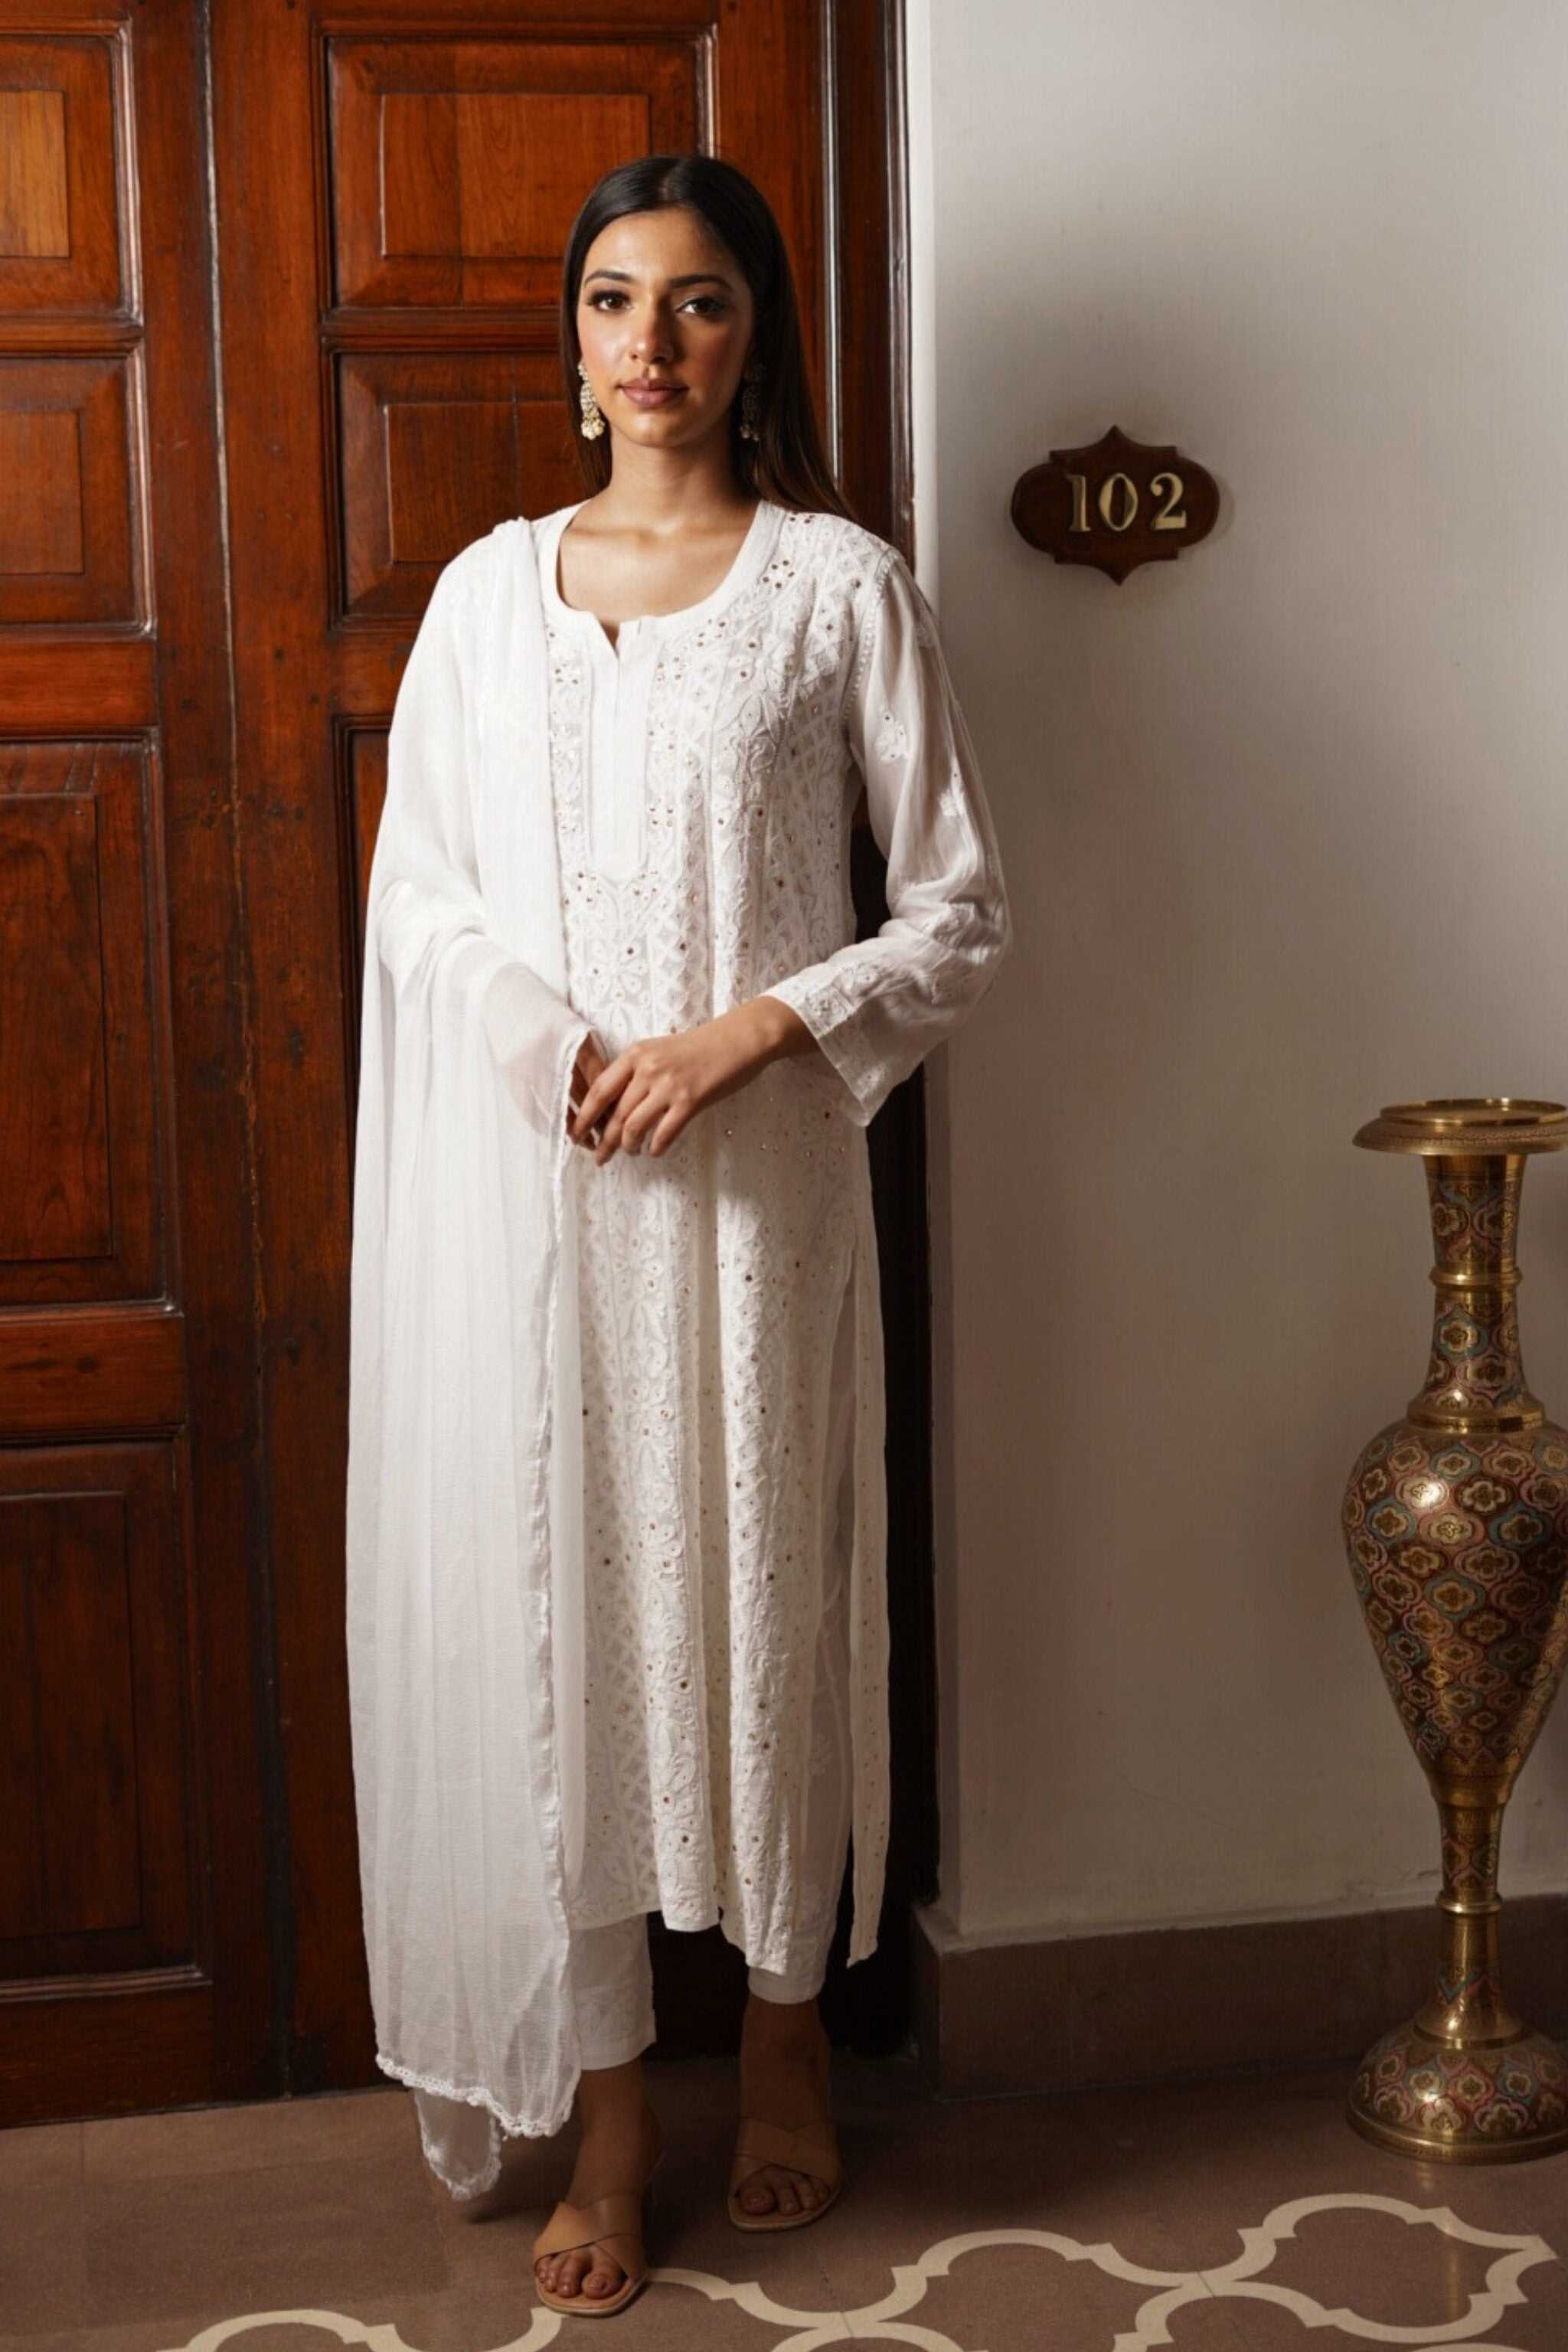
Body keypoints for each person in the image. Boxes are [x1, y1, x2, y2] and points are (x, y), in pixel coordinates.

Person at [345, 151, 1011, 2321]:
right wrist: (556, 1045)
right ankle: (617, 2112)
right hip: (551, 1218)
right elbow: (423, 903)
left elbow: (958, 915)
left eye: (700, 301)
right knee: (578, 1645)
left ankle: (795, 2039)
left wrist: (745, 1034)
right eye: (616, 298)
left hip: (758, 1199)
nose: (652, 340)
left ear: (756, 339)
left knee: (767, 1605)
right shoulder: (482, 601)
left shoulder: (840, 592)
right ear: (572, 342)